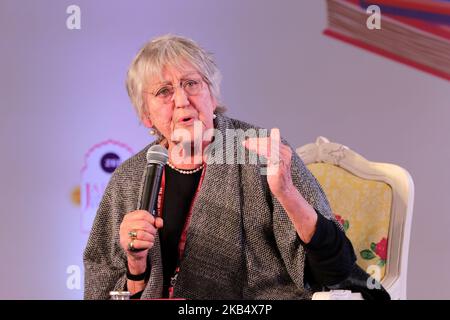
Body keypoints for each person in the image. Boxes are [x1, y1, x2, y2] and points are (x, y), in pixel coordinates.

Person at [83, 34, 377, 300]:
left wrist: (287, 192)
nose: (182, 100)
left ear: (213, 96)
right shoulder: (129, 178)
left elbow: (335, 269)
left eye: (191, 84)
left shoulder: (259, 151)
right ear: (146, 115)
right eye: (164, 91)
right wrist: (136, 264)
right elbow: (106, 287)